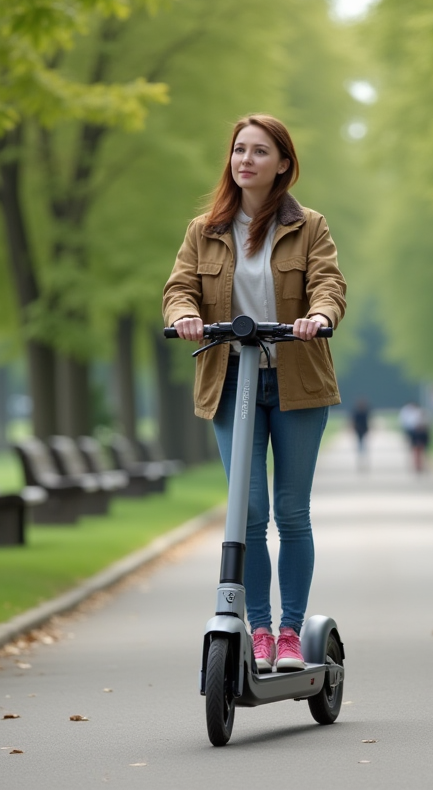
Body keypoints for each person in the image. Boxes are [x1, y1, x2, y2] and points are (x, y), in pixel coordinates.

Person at [163, 114, 346, 673]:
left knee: (290, 511)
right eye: (239, 149)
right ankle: (259, 630)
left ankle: (290, 632)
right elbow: (179, 288)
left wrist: (319, 315)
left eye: (260, 151)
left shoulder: (309, 226)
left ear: (283, 164)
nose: (246, 159)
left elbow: (328, 283)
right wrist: (186, 315)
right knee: (247, 512)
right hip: (230, 379)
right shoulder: (204, 230)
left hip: (297, 380)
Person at [351, 398, 371, 470]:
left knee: (364, 446)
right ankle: (361, 460)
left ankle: (364, 460)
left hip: (364, 430)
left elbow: (368, 421)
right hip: (359, 430)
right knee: (360, 445)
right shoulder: (357, 412)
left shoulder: (365, 412)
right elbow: (354, 421)